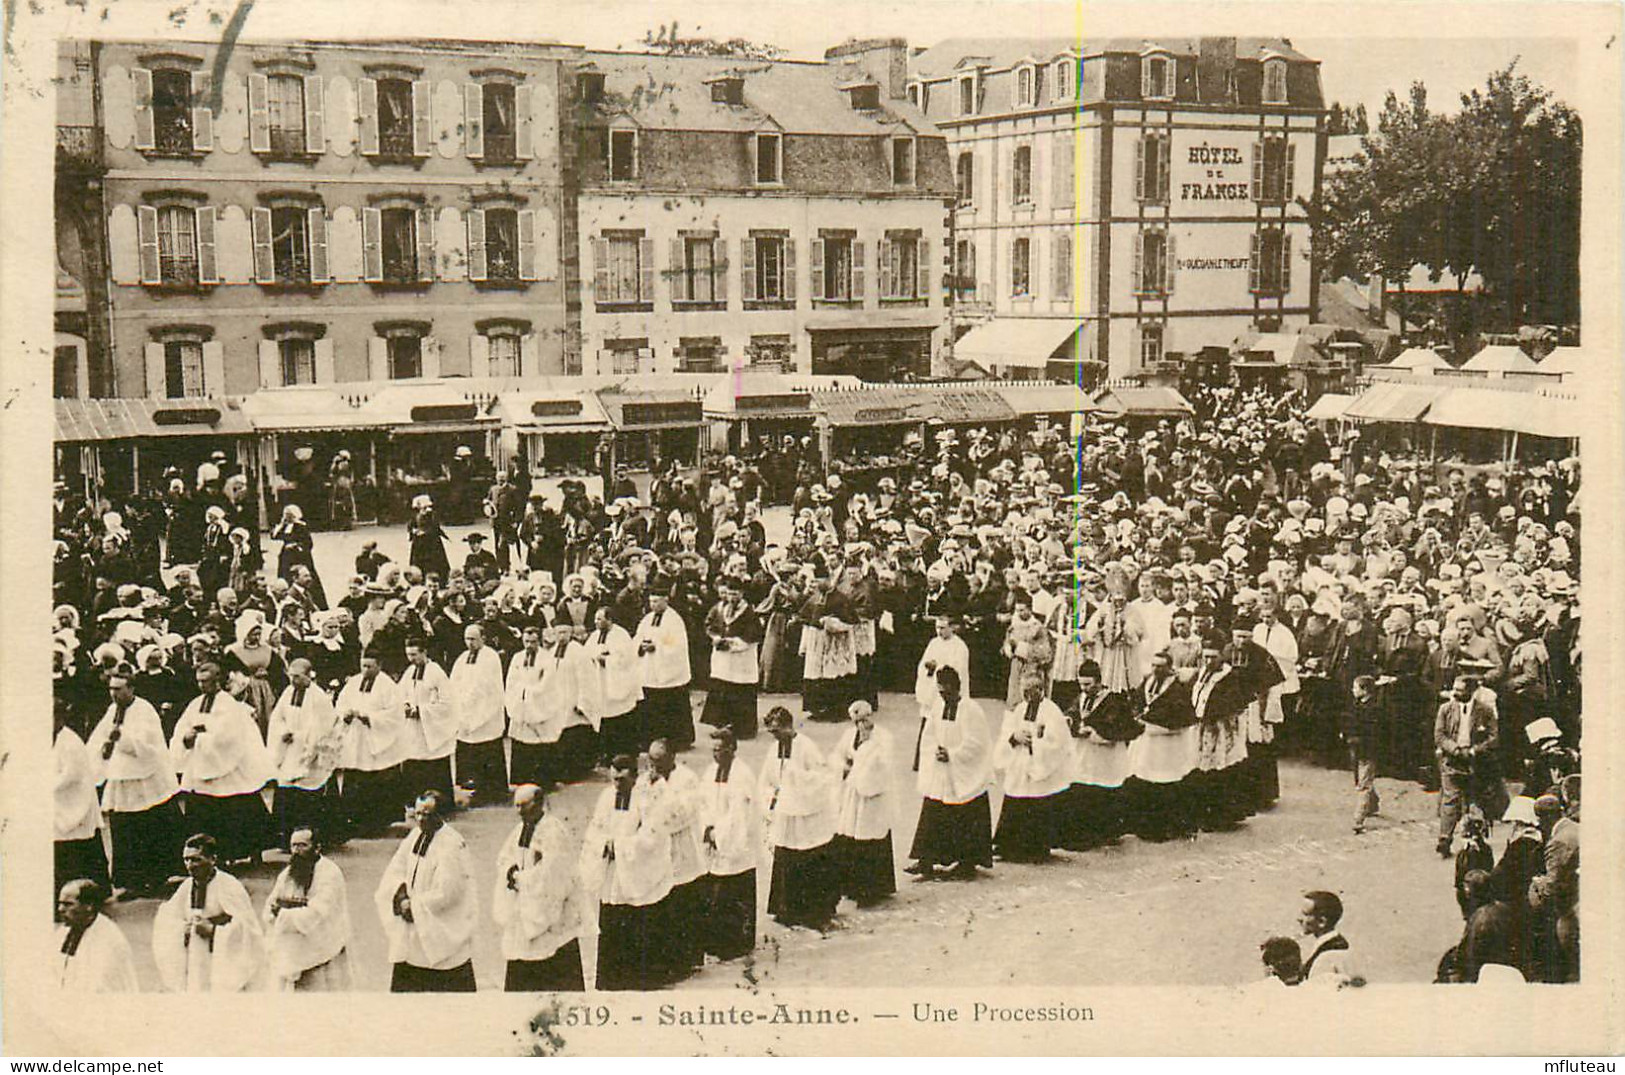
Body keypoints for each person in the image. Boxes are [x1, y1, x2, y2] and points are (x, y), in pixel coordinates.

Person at [86, 667, 181, 897]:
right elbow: (98, 738)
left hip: (147, 780)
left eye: (118, 689)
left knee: (151, 827)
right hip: (122, 779)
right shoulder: (112, 710)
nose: (114, 694)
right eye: (111, 689)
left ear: (131, 688)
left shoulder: (144, 710)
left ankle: (157, 878)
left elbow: (149, 746)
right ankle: (132, 881)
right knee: (125, 830)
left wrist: (123, 738)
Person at [579, 755, 671, 991]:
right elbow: (595, 829)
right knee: (612, 920)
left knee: (637, 921)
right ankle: (612, 979)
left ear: (634, 775)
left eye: (622, 778)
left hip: (636, 869)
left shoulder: (646, 800)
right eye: (614, 777)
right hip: (612, 870)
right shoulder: (606, 796)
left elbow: (652, 835)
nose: (618, 783)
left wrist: (619, 846)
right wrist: (604, 845)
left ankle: (640, 979)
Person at [169, 661, 274, 864]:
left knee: (234, 806)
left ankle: (241, 852)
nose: (201, 686)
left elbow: (228, 737)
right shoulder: (195, 703)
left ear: (217, 681)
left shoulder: (228, 705)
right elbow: (182, 726)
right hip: (201, 762)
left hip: (227, 764)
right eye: (199, 682)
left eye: (206, 681)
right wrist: (186, 738)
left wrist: (200, 738)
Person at [375, 790, 478, 992]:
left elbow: (448, 892)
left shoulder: (451, 844)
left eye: (427, 815)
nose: (421, 820)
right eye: (418, 814)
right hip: (414, 926)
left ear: (441, 815)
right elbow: (397, 869)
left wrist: (413, 905)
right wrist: (401, 894)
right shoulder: (416, 834)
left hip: (438, 928)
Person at [493, 785, 585, 992]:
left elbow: (552, 875)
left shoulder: (553, 831)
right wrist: (511, 872)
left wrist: (520, 878)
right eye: (516, 806)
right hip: (523, 906)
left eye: (524, 806)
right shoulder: (521, 828)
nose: (519, 811)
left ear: (539, 803)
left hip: (547, 912)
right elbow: (504, 858)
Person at [907, 666, 993, 882]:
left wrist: (953, 755)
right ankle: (925, 860)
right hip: (941, 770)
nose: (943, 696)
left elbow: (977, 743)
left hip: (963, 772)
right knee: (933, 811)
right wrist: (935, 751)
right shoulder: (938, 706)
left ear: (956, 688)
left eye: (946, 692)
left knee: (964, 816)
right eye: (940, 692)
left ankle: (966, 863)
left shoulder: (971, 710)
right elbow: (929, 735)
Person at [152, 834, 265, 992]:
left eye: (196, 859)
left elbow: (248, 929)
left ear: (212, 859)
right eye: (186, 860)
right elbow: (168, 917)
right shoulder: (187, 885)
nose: (190, 865)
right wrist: (181, 929)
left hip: (221, 958)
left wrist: (214, 931)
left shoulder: (229, 886)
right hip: (196, 959)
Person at [759, 706, 840, 928]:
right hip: (786, 816)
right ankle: (787, 909)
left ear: (788, 726)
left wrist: (796, 781)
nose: (774, 736)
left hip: (807, 816)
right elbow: (765, 780)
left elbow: (823, 778)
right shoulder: (774, 748)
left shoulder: (806, 747)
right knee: (786, 857)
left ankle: (815, 911)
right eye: (771, 732)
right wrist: (772, 795)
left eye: (777, 731)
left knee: (809, 858)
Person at [639, 739, 706, 982]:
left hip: (681, 847)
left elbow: (683, 813)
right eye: (650, 760)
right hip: (657, 848)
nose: (652, 766)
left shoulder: (686, 779)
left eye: (658, 761)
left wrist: (661, 793)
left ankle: (686, 961)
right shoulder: (646, 778)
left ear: (672, 759)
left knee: (683, 904)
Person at [992, 669, 1073, 863]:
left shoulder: (1052, 710)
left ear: (1041, 689)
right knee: (1015, 799)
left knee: (1038, 804)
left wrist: (1036, 744)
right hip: (1020, 763)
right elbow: (1007, 733)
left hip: (1038, 764)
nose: (1027, 695)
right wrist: (1014, 738)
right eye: (1024, 690)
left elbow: (1058, 742)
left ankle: (1035, 849)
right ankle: (1008, 846)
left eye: (1031, 690)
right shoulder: (1020, 708)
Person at [1062, 658, 1142, 852]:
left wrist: (1094, 731)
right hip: (1085, 753)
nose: (1084, 688)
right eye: (1081, 684)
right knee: (1084, 788)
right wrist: (1069, 720)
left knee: (1102, 791)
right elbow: (1074, 711)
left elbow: (1117, 724)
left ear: (1098, 681)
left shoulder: (1113, 700)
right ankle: (1084, 832)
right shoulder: (1081, 696)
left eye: (1088, 684)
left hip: (1105, 754)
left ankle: (1105, 833)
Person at [262, 827, 352, 991]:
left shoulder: (330, 873)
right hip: (293, 949)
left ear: (317, 848)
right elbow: (270, 904)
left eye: (303, 845)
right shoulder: (289, 872)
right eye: (293, 845)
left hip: (322, 952)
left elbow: (318, 913)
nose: (296, 850)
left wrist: (283, 913)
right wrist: (277, 911)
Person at [696, 728, 759, 960]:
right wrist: (707, 828)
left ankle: (737, 944)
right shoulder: (711, 771)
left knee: (734, 895)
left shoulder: (742, 775)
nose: (715, 755)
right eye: (712, 750)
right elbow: (702, 803)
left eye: (719, 750)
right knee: (716, 896)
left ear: (732, 749)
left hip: (735, 845)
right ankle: (716, 942)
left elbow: (739, 814)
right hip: (714, 840)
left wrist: (718, 834)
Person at [266, 658, 342, 849]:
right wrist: (283, 732)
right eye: (291, 676)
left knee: (308, 793)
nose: (293, 681)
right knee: (286, 790)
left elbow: (323, 726)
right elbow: (278, 717)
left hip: (309, 753)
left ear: (309, 676)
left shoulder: (319, 698)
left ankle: (312, 839)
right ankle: (286, 839)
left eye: (298, 677)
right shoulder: (288, 692)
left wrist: (302, 738)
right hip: (289, 750)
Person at [829, 700, 898, 906]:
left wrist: (865, 752)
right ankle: (850, 886)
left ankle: (872, 889)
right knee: (849, 836)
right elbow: (836, 755)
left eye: (864, 719)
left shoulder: (884, 737)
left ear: (871, 716)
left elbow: (884, 766)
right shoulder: (849, 735)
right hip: (852, 793)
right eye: (857, 721)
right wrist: (844, 767)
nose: (861, 724)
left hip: (872, 795)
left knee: (870, 838)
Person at [335, 651, 406, 837]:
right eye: (362, 666)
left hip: (377, 738)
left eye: (369, 666)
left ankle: (376, 821)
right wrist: (346, 714)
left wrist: (371, 718)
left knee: (376, 778)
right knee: (355, 775)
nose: (365, 670)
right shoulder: (353, 682)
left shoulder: (388, 686)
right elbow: (341, 703)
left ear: (379, 666)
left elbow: (394, 714)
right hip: (357, 738)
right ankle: (353, 819)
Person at [1435, 674, 1506, 857]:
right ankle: (1445, 839)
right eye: (1455, 689)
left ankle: (1475, 839)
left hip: (1477, 761)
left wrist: (1475, 750)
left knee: (1475, 798)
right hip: (1452, 760)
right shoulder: (1445, 709)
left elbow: (1493, 737)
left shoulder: (1485, 711)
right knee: (1450, 799)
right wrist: (1455, 750)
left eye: (1460, 690)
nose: (1455, 693)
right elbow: (1440, 735)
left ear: (1472, 691)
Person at [397, 638, 458, 811]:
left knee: (433, 763)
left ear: (424, 652)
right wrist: (405, 706)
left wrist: (421, 711)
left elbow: (447, 703)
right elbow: (400, 693)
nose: (411, 659)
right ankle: (415, 802)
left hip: (432, 728)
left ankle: (440, 804)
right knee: (413, 760)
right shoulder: (409, 671)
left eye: (414, 654)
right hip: (413, 728)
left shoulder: (436, 673)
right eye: (408, 654)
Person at [55, 702, 110, 894]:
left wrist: (45, 785)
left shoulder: (71, 743)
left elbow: (71, 775)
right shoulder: (49, 738)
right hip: (59, 801)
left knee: (79, 846)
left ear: (59, 719)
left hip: (77, 799)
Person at [451, 624, 508, 803]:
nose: (470, 643)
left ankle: (493, 790)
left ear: (483, 638)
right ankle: (475, 783)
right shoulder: (462, 658)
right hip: (466, 709)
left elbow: (488, 686)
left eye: (473, 639)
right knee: (470, 749)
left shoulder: (490, 657)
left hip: (485, 709)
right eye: (467, 639)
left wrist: (473, 700)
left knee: (487, 748)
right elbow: (455, 681)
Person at [700, 577, 763, 741]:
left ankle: (743, 728)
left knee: (740, 691)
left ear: (741, 594)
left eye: (735, 594)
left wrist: (734, 643)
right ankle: (722, 725)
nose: (731, 598)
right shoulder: (719, 608)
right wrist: (714, 637)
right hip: (723, 658)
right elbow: (709, 624)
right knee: (722, 688)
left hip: (741, 658)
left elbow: (753, 635)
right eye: (728, 594)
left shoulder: (749, 612)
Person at [54, 879, 139, 992]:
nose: (60, 909)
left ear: (89, 905)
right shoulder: (62, 933)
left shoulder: (111, 942)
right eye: (60, 903)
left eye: (68, 904)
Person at [635, 591, 694, 751]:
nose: (653, 605)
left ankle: (677, 740)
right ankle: (650, 739)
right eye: (651, 601)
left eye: (656, 601)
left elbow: (675, 644)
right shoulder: (647, 619)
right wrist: (640, 646)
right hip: (650, 668)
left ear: (666, 600)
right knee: (650, 704)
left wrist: (657, 647)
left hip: (669, 671)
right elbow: (638, 637)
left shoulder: (673, 621)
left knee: (670, 704)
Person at [581, 609, 642, 764]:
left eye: (599, 619)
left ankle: (623, 753)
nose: (596, 622)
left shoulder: (621, 636)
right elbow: (586, 654)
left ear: (609, 620)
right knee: (604, 719)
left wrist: (606, 660)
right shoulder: (594, 636)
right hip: (600, 683)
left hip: (618, 684)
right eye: (595, 619)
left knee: (620, 720)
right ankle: (606, 753)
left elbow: (626, 659)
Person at [1297, 890, 1363, 988]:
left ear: (1321, 922)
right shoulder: (1338, 946)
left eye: (1305, 914)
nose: (1299, 919)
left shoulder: (1328, 957)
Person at [1343, 674, 1383, 834]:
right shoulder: (1357, 705)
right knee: (1361, 779)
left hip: (1367, 750)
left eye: (1355, 687)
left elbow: (1373, 734)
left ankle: (1358, 820)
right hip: (1357, 749)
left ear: (1365, 690)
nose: (1353, 690)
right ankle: (1373, 803)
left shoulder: (1374, 710)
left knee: (1363, 785)